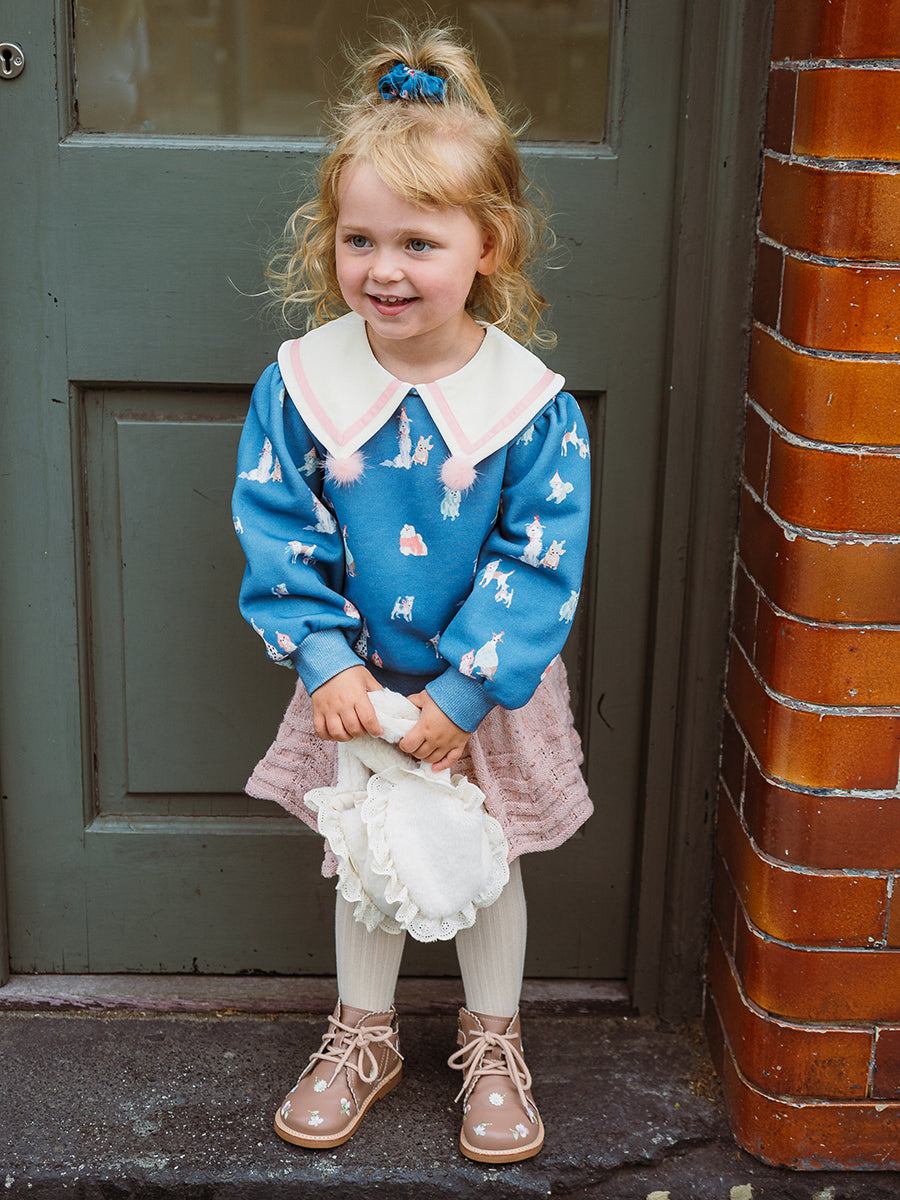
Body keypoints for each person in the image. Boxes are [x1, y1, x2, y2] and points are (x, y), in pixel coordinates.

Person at [232, 21, 593, 1165]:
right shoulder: (303, 388)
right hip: (357, 687)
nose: (383, 269)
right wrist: (325, 660)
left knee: (486, 859)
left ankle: (494, 1043)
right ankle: (364, 1034)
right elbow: (278, 526)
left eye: (418, 242)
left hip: (483, 690)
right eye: (360, 239)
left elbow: (538, 558)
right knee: (369, 856)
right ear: (329, 240)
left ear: (489, 244)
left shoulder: (530, 408)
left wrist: (464, 695)